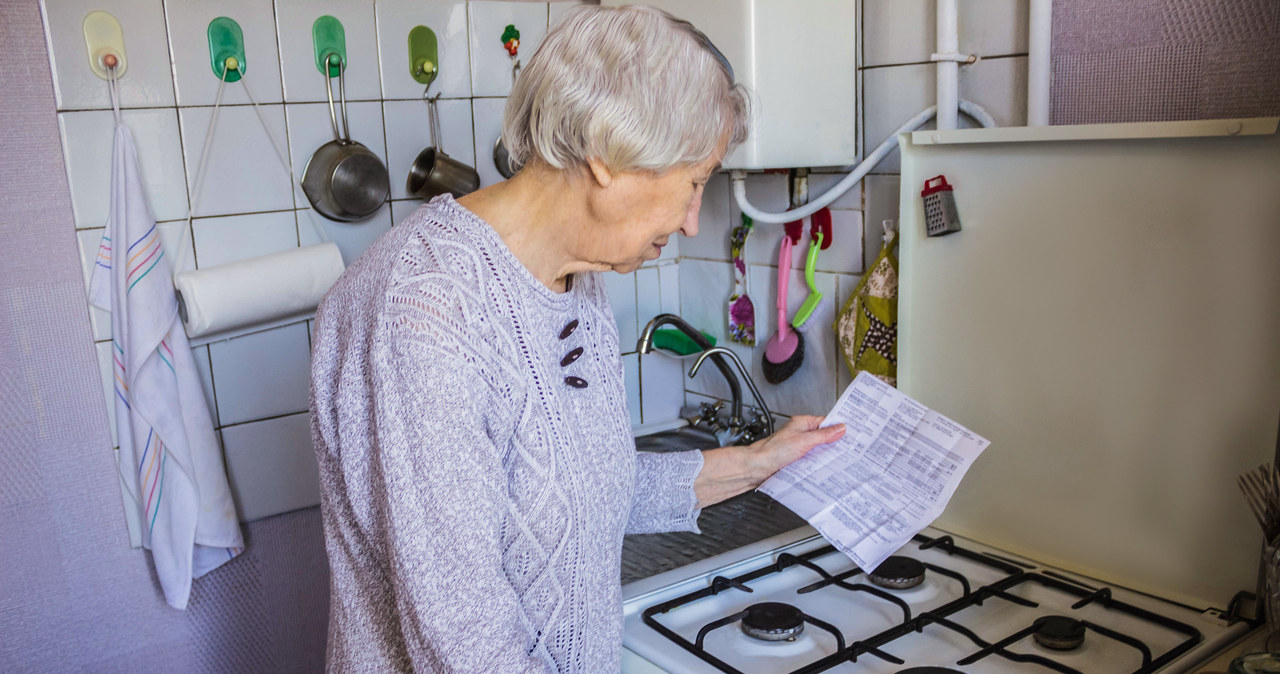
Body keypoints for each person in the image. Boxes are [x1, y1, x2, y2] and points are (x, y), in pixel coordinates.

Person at [309, 5, 845, 672]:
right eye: (693, 185)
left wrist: (759, 461)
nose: (689, 221)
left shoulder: (575, 280)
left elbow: (580, 490)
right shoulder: (425, 312)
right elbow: (463, 638)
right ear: (607, 154)